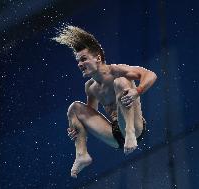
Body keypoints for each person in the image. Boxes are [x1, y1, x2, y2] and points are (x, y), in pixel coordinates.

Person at [53, 25, 157, 178]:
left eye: (83, 59)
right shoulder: (90, 87)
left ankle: (129, 132)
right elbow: (91, 114)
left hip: (134, 128)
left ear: (98, 58)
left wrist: (137, 91)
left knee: (120, 82)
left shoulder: (117, 70)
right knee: (74, 108)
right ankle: (82, 154)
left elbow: (151, 74)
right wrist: (77, 129)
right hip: (114, 134)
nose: (80, 64)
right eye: (78, 61)